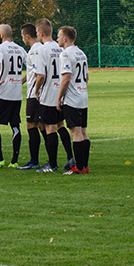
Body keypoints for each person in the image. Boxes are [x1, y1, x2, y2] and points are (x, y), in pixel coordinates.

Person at [33, 19, 74, 173]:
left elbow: (41, 75)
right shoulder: (60, 49)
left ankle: (52, 164)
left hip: (49, 93)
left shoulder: (41, 50)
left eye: (37, 32)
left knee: (49, 128)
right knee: (59, 125)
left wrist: (36, 90)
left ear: (41, 33)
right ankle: (70, 157)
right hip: (61, 92)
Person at [0, 24, 27, 168]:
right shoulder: (20, 49)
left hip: (3, 92)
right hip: (16, 94)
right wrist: (21, 81)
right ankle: (14, 161)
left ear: (2, 35)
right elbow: (33, 67)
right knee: (15, 125)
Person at [56, 26, 90, 175]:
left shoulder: (65, 54)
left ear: (65, 38)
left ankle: (79, 167)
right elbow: (87, 77)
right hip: (83, 96)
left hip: (72, 99)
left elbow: (66, 77)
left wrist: (59, 98)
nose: (57, 39)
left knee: (75, 132)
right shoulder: (81, 53)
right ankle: (85, 166)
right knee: (83, 132)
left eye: (59, 36)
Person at [16, 23, 44, 170]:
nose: (23, 40)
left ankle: (34, 161)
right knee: (42, 125)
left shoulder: (34, 51)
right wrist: (23, 80)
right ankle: (51, 160)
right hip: (38, 92)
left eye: (22, 36)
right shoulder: (40, 49)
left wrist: (36, 90)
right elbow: (35, 70)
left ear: (27, 36)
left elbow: (40, 74)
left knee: (31, 125)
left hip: (34, 95)